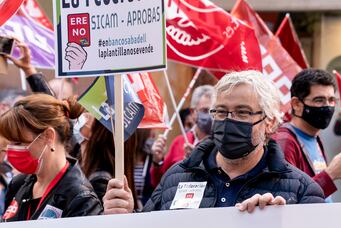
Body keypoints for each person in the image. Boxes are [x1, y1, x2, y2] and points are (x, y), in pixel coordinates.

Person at [103, 70, 325, 215]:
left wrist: (280, 222)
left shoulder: (301, 191)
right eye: (220, 112)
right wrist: (125, 216)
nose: (228, 121)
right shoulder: (176, 177)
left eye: (242, 112)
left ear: (270, 123)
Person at [0, 94, 102, 221]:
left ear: (48, 136)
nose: (10, 150)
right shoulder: (18, 184)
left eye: (18, 143)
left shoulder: (80, 198)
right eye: (9, 143)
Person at [273, 69, 341, 200]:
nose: (327, 107)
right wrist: (330, 175)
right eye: (319, 100)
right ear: (296, 104)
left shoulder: (314, 137)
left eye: (331, 100)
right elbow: (287, 200)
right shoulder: (285, 142)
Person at [150, 85, 215, 187]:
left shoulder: (221, 143)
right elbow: (159, 182)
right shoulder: (179, 142)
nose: (211, 116)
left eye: (214, 111)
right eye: (205, 110)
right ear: (193, 112)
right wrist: (157, 161)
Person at [124, 129, 155, 210]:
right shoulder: (125, 158)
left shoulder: (151, 159)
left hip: (146, 210)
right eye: (150, 135)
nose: (153, 138)